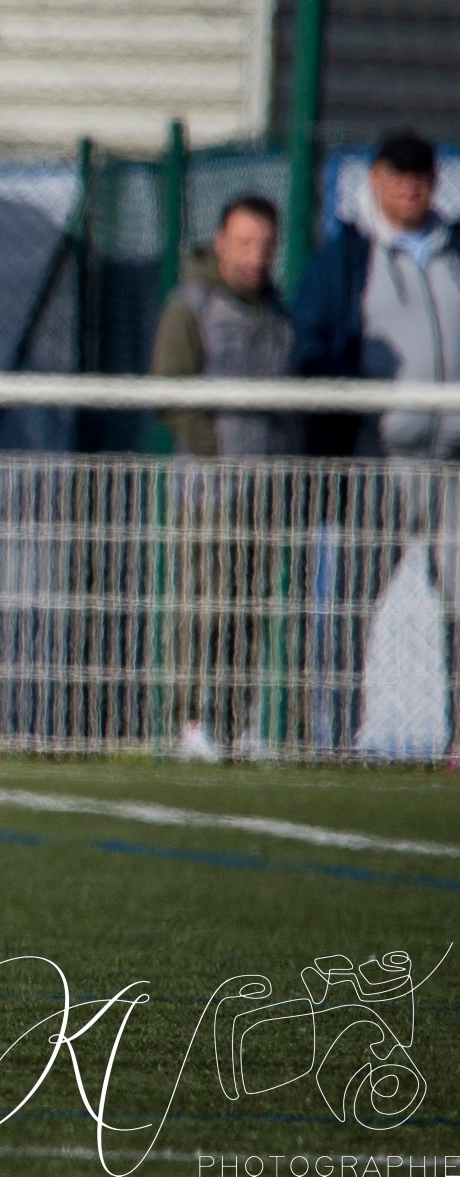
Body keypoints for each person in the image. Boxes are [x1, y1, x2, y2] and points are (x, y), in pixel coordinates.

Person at [294, 128, 460, 754]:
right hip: (378, 460)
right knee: (352, 601)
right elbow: (313, 344)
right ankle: (333, 737)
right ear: (375, 179)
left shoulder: (453, 251)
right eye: (398, 173)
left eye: (421, 173)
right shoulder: (345, 259)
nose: (410, 185)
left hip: (454, 463)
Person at [152, 194, 301, 761]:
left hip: (266, 493)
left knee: (250, 613)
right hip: (209, 494)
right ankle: (190, 724)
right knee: (201, 608)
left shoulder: (278, 313)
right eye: (244, 243)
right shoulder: (191, 304)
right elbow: (170, 392)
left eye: (265, 245)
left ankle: (241, 726)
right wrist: (216, 452)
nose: (256, 256)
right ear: (220, 243)